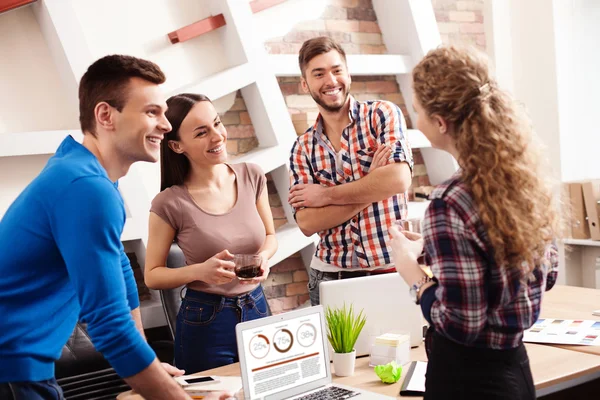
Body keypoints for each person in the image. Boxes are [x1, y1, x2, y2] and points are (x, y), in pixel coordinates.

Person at [0, 55, 199, 399]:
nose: (166, 125)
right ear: (106, 115)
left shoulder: (86, 174)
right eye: (152, 112)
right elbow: (109, 326)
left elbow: (121, 270)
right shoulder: (86, 188)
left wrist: (147, 361)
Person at [390, 45, 560, 400]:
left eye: (418, 111)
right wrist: (438, 253)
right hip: (515, 370)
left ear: (440, 123)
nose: (415, 120)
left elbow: (460, 323)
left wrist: (412, 273)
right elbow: (548, 274)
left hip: (468, 383)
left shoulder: (447, 202)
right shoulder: (522, 181)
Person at [144, 93, 278, 374]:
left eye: (217, 124)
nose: (217, 136)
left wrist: (263, 258)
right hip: (205, 319)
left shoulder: (251, 175)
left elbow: (270, 236)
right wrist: (200, 271)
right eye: (202, 132)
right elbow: (152, 275)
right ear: (177, 145)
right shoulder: (169, 202)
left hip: (257, 306)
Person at [287, 36, 414, 305]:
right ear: (305, 83)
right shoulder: (302, 148)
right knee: (338, 349)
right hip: (330, 277)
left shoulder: (382, 115)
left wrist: (326, 196)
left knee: (405, 347)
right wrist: (373, 186)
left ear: (348, 74)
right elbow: (308, 223)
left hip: (391, 269)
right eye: (318, 74)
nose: (330, 81)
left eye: (336, 70)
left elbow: (399, 179)